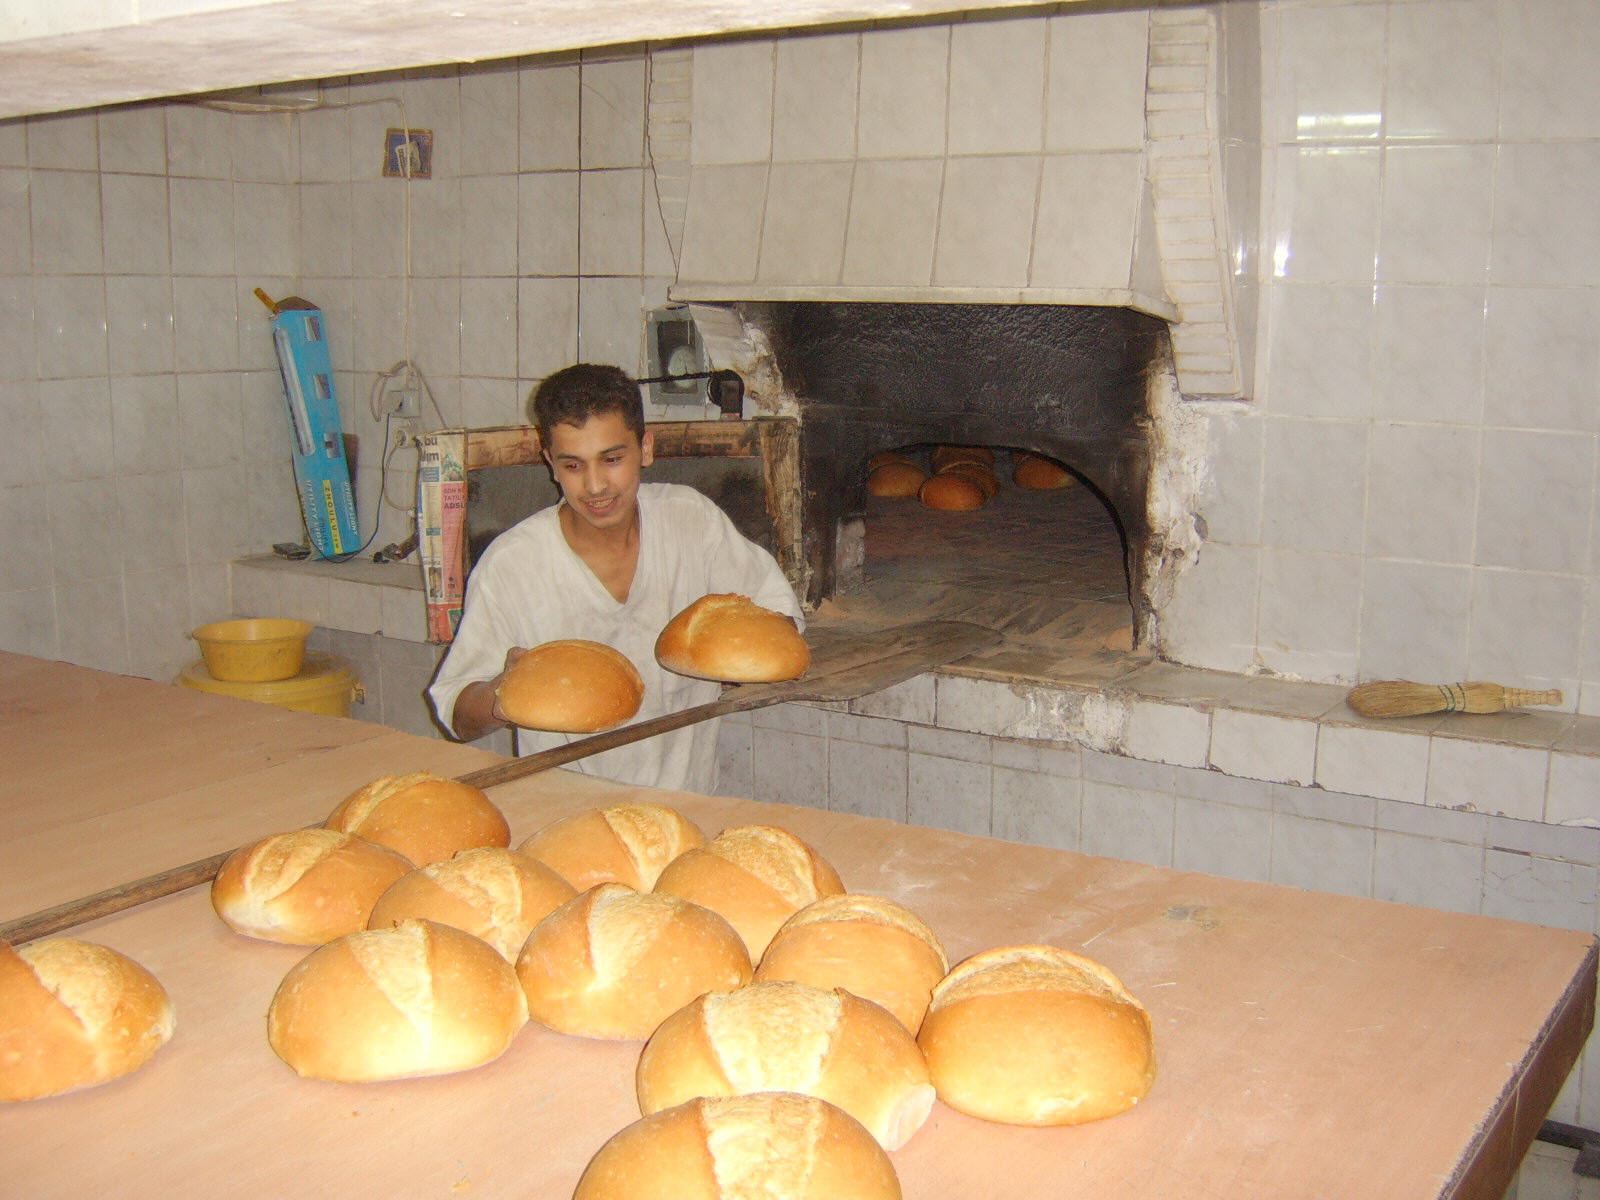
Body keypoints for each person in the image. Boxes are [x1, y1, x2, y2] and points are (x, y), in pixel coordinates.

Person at [428, 363, 804, 794]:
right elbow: (457, 716)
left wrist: (739, 653)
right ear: (550, 463)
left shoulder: (690, 521)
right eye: (572, 465)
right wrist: (504, 693)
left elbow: (780, 622)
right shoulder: (514, 565)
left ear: (645, 448)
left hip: (687, 805)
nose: (595, 486)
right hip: (566, 815)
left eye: (612, 459)